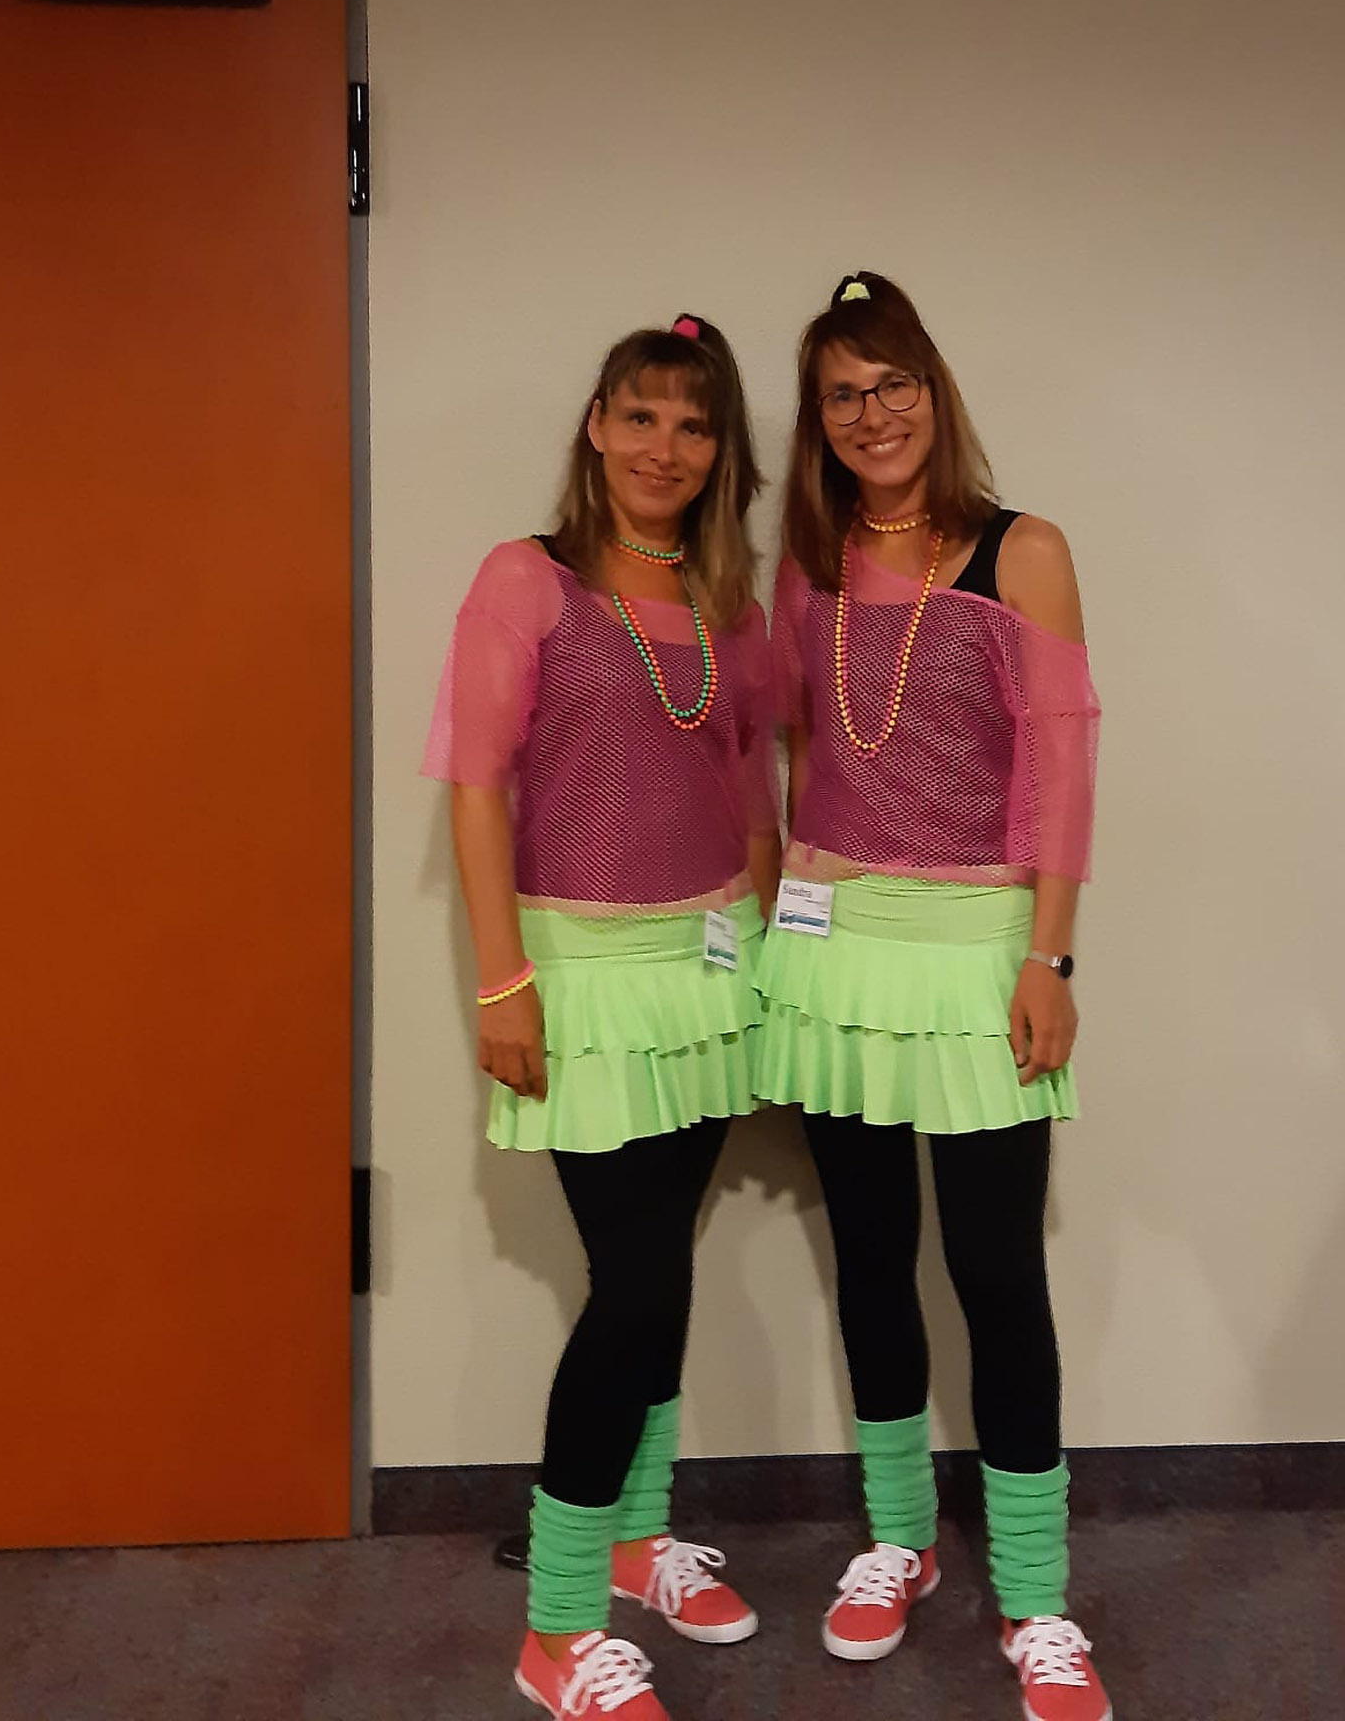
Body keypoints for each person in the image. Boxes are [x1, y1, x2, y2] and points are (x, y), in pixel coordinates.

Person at [755, 274, 1110, 1721]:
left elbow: (1064, 767)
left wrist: (1048, 957)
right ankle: (899, 1537)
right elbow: (788, 758)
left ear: (933, 390)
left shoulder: (1025, 549)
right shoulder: (810, 564)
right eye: (842, 394)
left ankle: (1035, 1593)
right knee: (872, 1259)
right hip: (834, 949)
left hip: (980, 946)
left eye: (891, 383)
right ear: (819, 420)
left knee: (997, 1272)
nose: (872, 413)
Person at [424, 317, 778, 1721]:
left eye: (693, 426)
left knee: (661, 1276)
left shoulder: (727, 602)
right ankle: (558, 1627)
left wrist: (772, 970)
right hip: (576, 977)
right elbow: (475, 787)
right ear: (595, 425)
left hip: (709, 972)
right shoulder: (527, 580)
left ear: (718, 451)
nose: (663, 449)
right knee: (631, 1288)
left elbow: (750, 793)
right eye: (641, 417)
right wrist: (502, 981)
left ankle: (637, 1540)